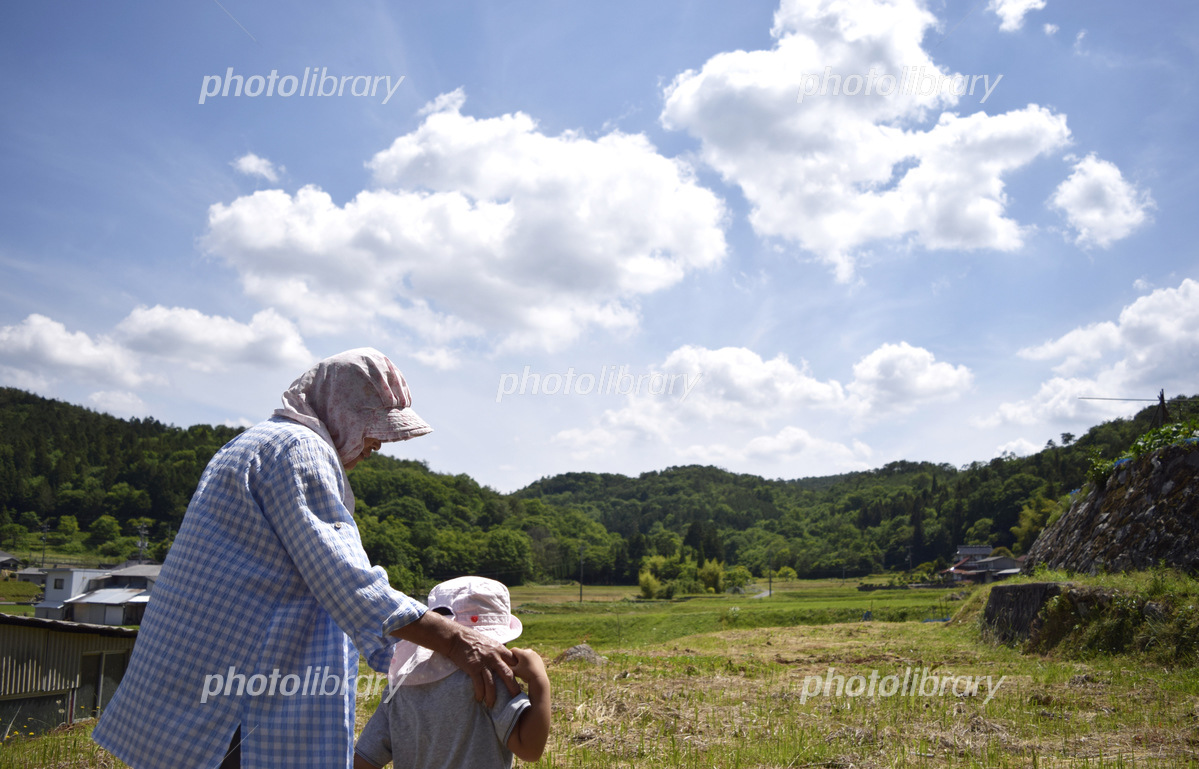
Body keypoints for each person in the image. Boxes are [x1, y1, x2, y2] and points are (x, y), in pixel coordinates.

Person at [92, 348, 518, 769]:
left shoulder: (254, 443)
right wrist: (456, 640)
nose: (377, 446)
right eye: (373, 428)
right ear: (341, 409)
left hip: (201, 669)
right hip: (240, 689)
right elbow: (347, 581)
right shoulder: (299, 450)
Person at [354, 576, 551, 769]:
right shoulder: (487, 679)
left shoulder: (400, 685)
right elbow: (529, 749)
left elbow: (363, 760)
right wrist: (539, 680)